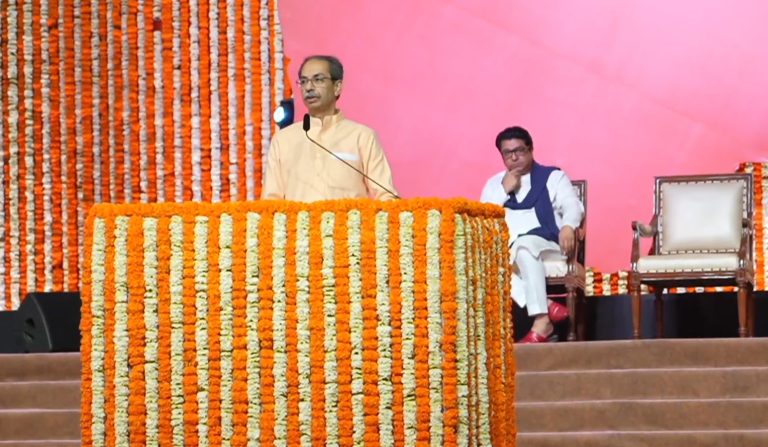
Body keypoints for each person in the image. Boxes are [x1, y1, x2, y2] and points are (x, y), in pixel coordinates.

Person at [480, 126, 584, 343]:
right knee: (494, 261)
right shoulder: (494, 184)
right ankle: (544, 312)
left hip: (548, 244)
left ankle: (541, 319)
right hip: (507, 251)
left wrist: (568, 226)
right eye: (508, 153)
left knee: (525, 246)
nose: (514, 157)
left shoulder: (552, 177)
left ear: (531, 149)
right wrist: (503, 191)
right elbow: (483, 217)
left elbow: (572, 205)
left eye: (519, 150)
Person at [261, 55, 398, 201]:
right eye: (304, 81)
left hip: (349, 223)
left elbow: (386, 196)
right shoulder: (283, 140)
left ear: (337, 87)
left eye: (318, 80)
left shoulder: (362, 136)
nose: (308, 87)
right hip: (299, 223)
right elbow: (271, 202)